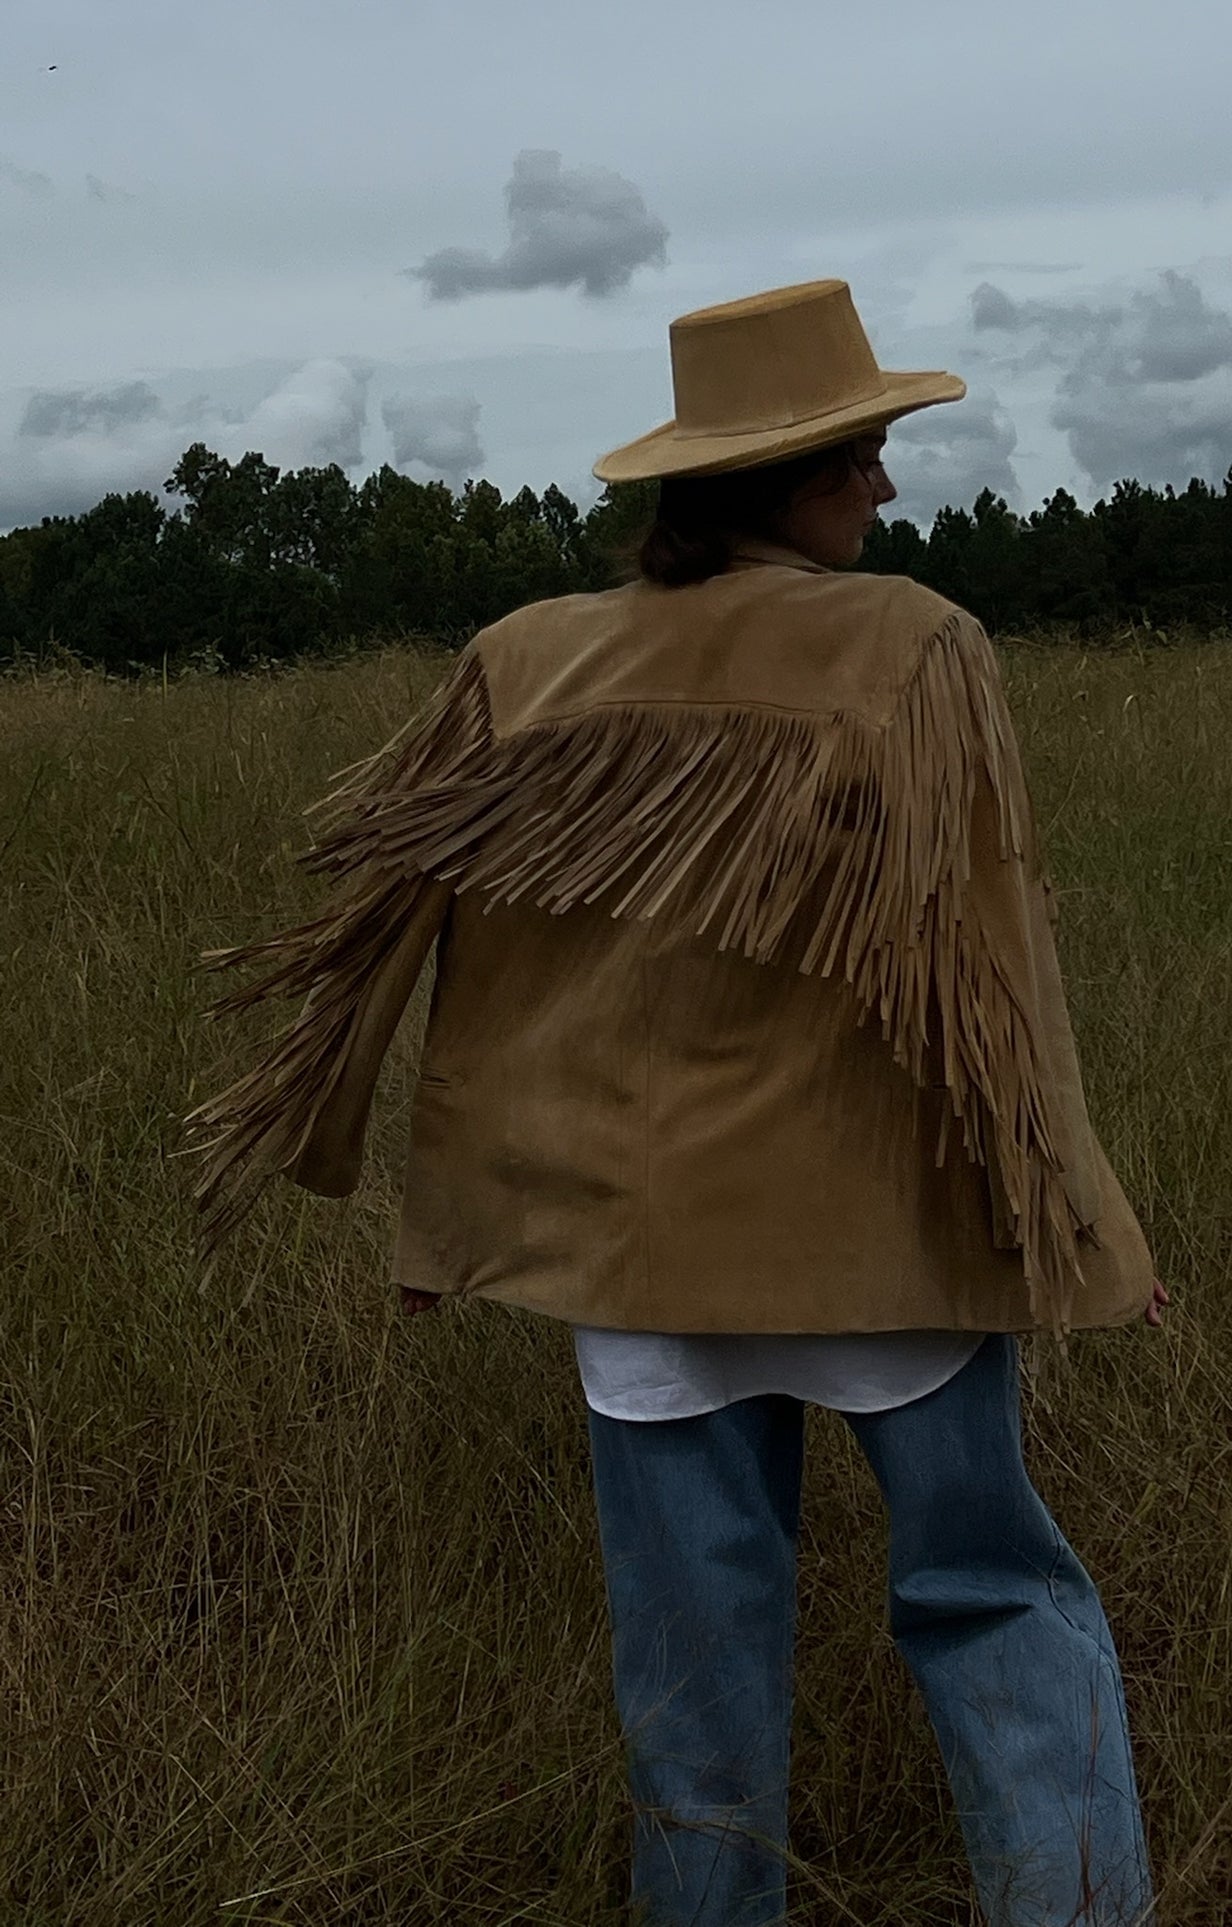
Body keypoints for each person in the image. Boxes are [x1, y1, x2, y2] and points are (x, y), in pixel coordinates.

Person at [186, 278, 1168, 1926]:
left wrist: (460, 1222)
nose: (884, 485)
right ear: (778, 475)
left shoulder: (526, 661)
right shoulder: (916, 644)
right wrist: (1076, 1218)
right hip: (878, 1237)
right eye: (860, 452)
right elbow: (995, 977)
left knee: (690, 1664)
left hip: (633, 1256)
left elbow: (477, 981)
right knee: (990, 1597)